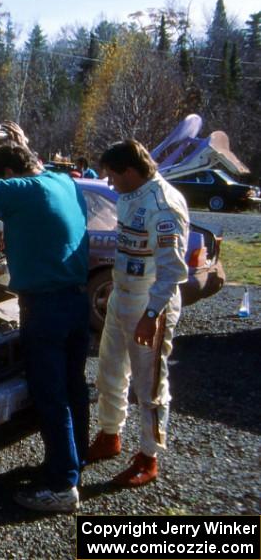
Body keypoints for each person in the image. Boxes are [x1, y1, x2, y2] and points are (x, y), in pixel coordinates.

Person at [0, 121, 90, 513]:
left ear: (7, 176)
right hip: (76, 303)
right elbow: (36, 170)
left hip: (46, 307)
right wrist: (22, 144)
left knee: (51, 394)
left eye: (0, 180)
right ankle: (74, 463)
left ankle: (62, 486)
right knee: (74, 387)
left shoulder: (23, 190)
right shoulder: (63, 182)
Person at [87, 140, 189, 487]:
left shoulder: (164, 205)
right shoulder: (133, 195)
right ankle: (110, 434)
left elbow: (173, 271)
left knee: (150, 385)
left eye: (113, 177)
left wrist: (151, 313)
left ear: (130, 171)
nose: (111, 184)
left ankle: (149, 456)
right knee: (110, 371)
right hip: (122, 296)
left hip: (149, 304)